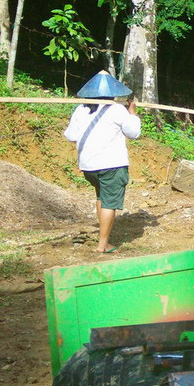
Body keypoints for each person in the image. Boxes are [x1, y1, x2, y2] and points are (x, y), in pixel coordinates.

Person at [63, 71, 141, 254]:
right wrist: (132, 114)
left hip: (89, 166)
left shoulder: (81, 109)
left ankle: (103, 237)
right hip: (111, 165)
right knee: (109, 203)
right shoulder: (117, 110)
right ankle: (103, 245)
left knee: (101, 197)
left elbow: (71, 136)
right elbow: (134, 133)